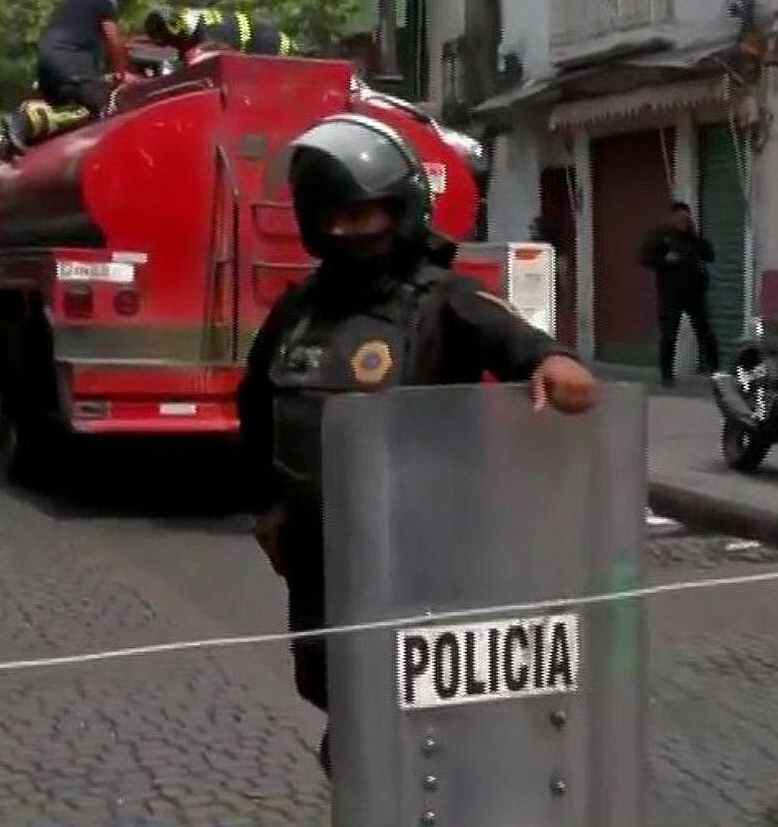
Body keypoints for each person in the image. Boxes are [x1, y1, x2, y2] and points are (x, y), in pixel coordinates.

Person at [238, 113, 600, 775]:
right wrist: (267, 506)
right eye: (334, 218)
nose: (348, 231)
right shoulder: (299, 313)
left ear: (401, 208)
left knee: (422, 726)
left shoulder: (442, 301)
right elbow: (256, 402)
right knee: (341, 706)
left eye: (364, 214)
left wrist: (554, 360)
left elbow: (514, 339)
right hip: (319, 557)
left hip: (422, 556)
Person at [639, 201, 718, 388]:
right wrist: (664, 259)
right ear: (672, 218)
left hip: (694, 292)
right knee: (669, 334)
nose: (684, 221)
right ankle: (667, 375)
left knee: (705, 332)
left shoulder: (692, 237)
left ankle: (715, 371)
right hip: (670, 293)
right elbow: (644, 257)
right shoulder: (660, 235)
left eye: (687, 218)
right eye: (680, 218)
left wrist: (697, 239)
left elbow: (710, 255)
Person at [35, 0, 127, 118]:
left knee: (59, 114)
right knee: (99, 110)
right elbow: (114, 40)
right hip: (70, 59)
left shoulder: (71, 2)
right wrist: (122, 77)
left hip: (46, 61)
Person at [144, 5, 297, 62]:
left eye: (171, 42)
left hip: (277, 52)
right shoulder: (193, 18)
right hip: (273, 39)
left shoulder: (207, 41)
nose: (172, 47)